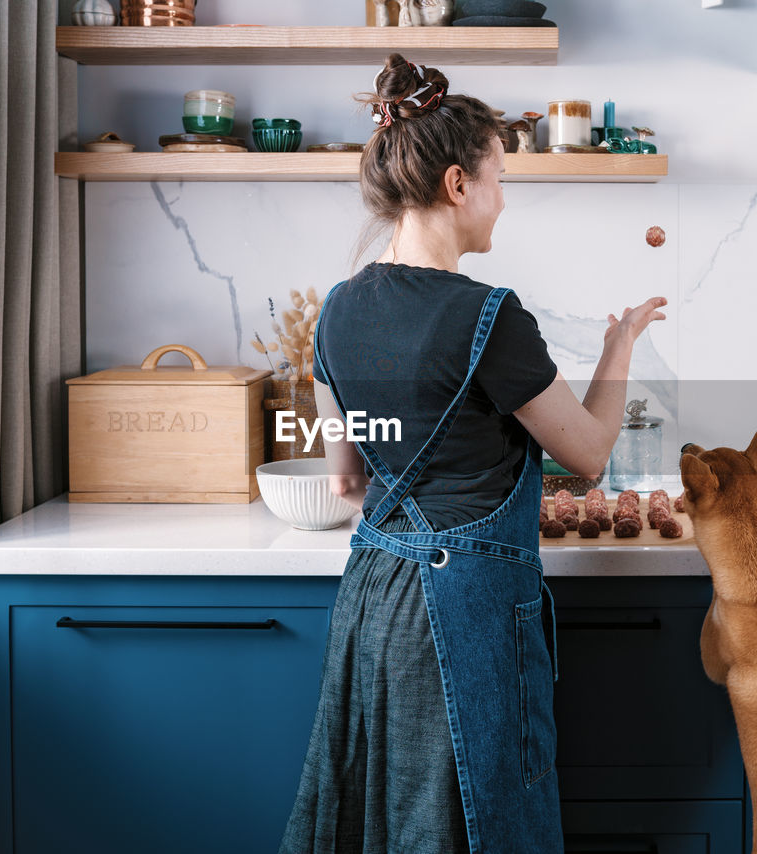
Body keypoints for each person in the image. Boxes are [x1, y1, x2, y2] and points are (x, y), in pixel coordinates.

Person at [279, 53, 667, 854]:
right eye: (498, 177)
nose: (503, 200)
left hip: (373, 603)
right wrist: (619, 346)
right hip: (464, 616)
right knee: (473, 824)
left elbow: (347, 479)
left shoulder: (336, 311)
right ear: (458, 185)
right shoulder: (490, 317)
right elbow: (588, 455)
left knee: (380, 821)